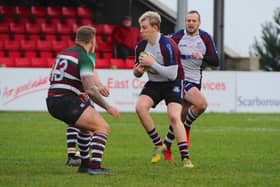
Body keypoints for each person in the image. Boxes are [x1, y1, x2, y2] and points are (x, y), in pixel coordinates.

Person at [46, 25, 120, 175]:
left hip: (52, 101)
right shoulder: (84, 57)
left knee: (85, 129)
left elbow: (51, 78)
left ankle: (84, 165)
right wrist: (107, 107)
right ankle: (95, 167)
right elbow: (90, 89)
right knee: (102, 127)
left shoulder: (64, 54)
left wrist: (75, 91)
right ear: (92, 40)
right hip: (66, 102)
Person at [133, 11, 194, 168]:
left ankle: (185, 158)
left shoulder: (168, 45)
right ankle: (158, 145)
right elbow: (136, 72)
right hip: (154, 83)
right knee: (140, 107)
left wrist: (152, 64)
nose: (141, 30)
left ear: (154, 27)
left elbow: (173, 74)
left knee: (174, 117)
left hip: (173, 82)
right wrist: (138, 72)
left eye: (144, 27)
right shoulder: (140, 46)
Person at [163, 10, 220, 161]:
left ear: (199, 23)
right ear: (185, 22)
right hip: (180, 79)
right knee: (201, 104)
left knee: (180, 117)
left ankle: (166, 145)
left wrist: (203, 57)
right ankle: (187, 127)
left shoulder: (205, 38)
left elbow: (216, 61)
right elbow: (165, 49)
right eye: (188, 20)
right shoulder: (178, 36)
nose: (190, 23)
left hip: (196, 81)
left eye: (194, 21)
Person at [65, 68, 110, 167]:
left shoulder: (69, 55)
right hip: (82, 92)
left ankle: (73, 156)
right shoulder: (85, 56)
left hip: (69, 93)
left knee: (74, 122)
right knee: (92, 126)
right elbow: (91, 70)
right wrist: (99, 85)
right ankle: (87, 161)